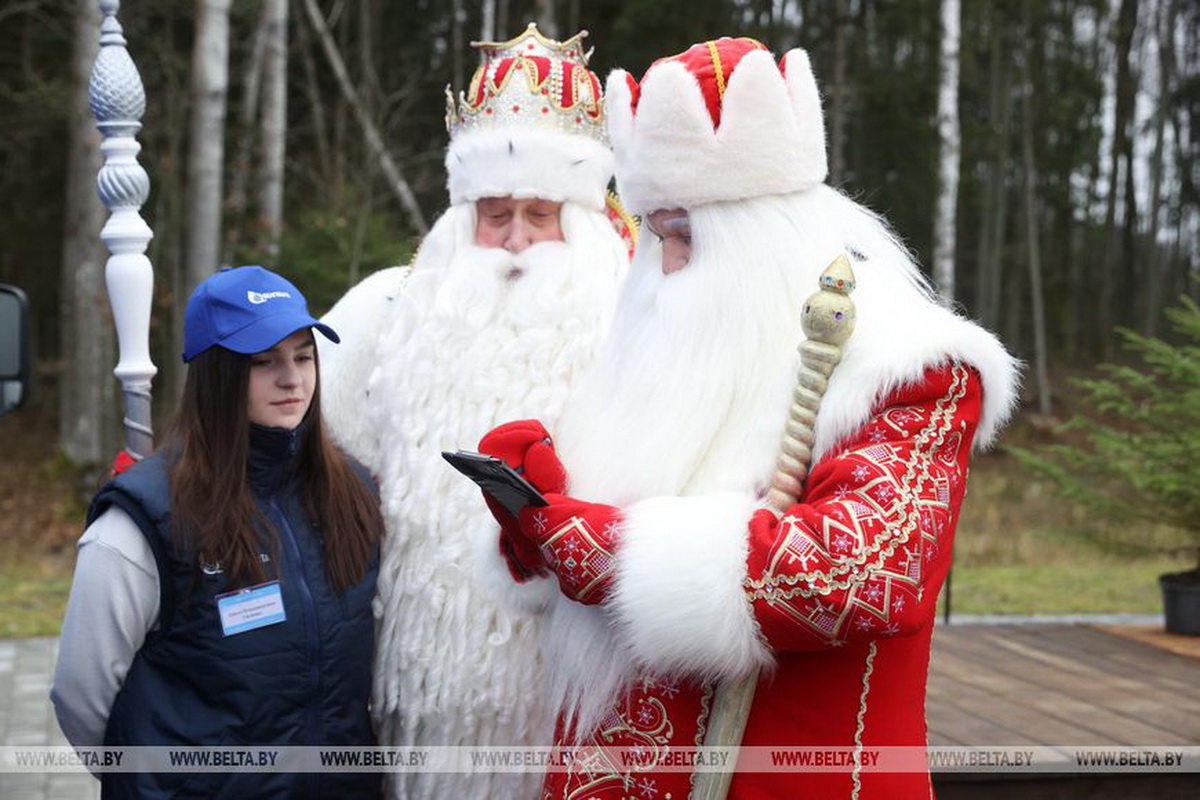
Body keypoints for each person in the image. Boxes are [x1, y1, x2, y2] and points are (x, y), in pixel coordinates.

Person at [476, 37, 1021, 799]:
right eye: (654, 236)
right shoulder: (669, 349)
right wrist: (532, 521)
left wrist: (602, 550)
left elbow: (860, 573)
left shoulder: (910, 368)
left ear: (765, 236)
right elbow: (586, 548)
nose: (661, 267)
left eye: (683, 236)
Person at [316, 23, 629, 800]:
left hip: (585, 696)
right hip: (426, 703)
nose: (517, 242)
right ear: (462, 217)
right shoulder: (384, 317)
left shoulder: (635, 325)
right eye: (495, 214)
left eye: (540, 213)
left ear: (583, 218)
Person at [51, 265, 384, 799]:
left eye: (303, 356)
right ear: (217, 373)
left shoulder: (354, 493)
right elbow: (81, 695)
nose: (292, 378)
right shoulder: (145, 519)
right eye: (263, 362)